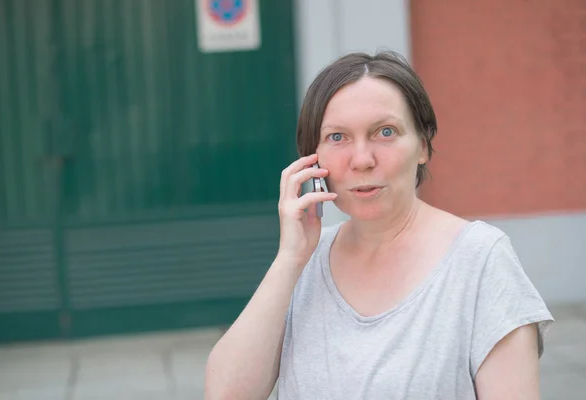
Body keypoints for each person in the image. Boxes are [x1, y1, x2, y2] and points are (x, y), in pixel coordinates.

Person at [205, 51, 554, 399]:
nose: (362, 160)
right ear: (312, 157)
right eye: (338, 137)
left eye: (385, 132)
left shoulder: (481, 260)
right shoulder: (303, 262)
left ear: (423, 145)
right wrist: (289, 259)